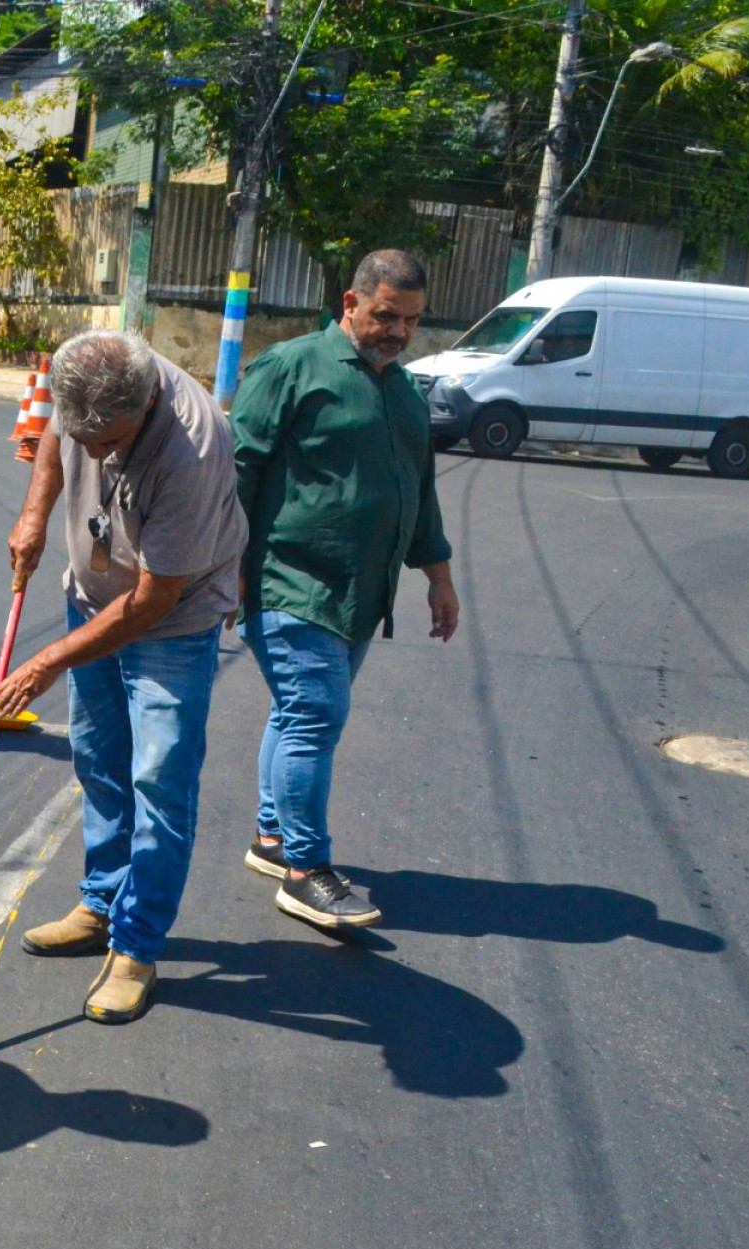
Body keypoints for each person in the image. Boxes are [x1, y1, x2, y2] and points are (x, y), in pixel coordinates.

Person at [0, 330, 247, 1025]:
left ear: (147, 403)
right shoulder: (85, 375)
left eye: (108, 443)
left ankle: (136, 946)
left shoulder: (193, 445)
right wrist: (34, 515)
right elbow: (54, 434)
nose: (93, 455)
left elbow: (155, 599)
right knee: (98, 757)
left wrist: (48, 659)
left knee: (160, 778)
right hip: (94, 594)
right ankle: (103, 902)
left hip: (171, 620)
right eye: (86, 439)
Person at [231, 248, 459, 930]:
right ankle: (306, 869)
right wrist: (221, 573)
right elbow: (237, 471)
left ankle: (272, 838)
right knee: (315, 715)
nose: (397, 331)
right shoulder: (292, 367)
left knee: (299, 715)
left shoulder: (403, 390)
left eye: (411, 320)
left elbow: (419, 491)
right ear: (351, 304)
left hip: (361, 593)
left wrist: (438, 577)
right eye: (386, 315)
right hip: (289, 579)